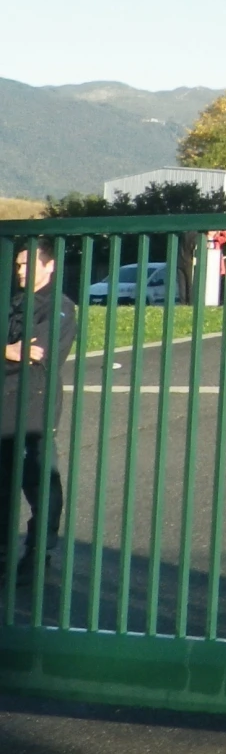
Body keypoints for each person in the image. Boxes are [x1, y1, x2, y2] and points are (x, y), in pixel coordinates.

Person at [3, 242, 76, 586]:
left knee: (40, 483)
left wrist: (14, 351)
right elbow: (14, 352)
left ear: (49, 267)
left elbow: (35, 353)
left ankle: (38, 553)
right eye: (17, 264)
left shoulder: (59, 308)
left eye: (27, 265)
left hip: (34, 405)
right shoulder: (11, 301)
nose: (19, 271)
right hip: (4, 402)